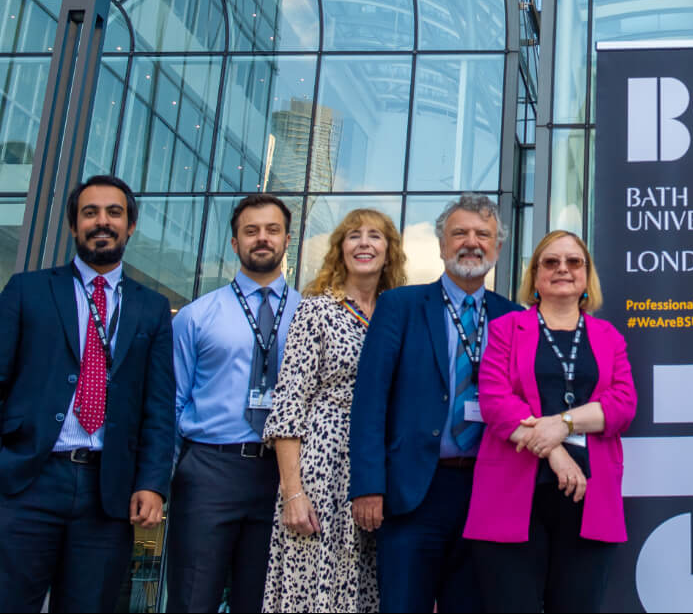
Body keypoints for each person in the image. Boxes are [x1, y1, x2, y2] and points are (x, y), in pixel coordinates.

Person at [0, 174, 173, 610]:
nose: (102, 222)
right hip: (28, 482)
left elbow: (158, 405)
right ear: (74, 225)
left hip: (107, 490)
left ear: (130, 225)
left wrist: (153, 483)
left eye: (114, 213)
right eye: (90, 212)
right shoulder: (28, 289)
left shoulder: (151, 308)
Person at [350, 194, 521, 612]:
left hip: (486, 491)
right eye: (459, 232)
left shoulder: (513, 318)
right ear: (442, 245)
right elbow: (370, 402)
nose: (471, 242)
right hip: (413, 492)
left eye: (483, 235)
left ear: (497, 248)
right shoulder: (400, 306)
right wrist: (369, 485)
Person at [464, 230, 636, 613]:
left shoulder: (608, 337)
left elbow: (623, 404)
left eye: (574, 262)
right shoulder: (507, 328)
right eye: (551, 262)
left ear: (586, 276)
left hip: (589, 497)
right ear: (536, 276)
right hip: (512, 493)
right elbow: (495, 402)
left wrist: (563, 423)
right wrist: (555, 449)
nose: (563, 269)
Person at [261, 209, 404, 613]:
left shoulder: (397, 314)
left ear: (389, 251)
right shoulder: (316, 310)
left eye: (375, 236)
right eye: (353, 236)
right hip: (323, 465)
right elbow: (289, 403)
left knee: (370, 586)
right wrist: (293, 493)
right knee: (316, 584)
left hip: (379, 465)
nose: (364, 243)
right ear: (340, 251)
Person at [169, 194, 301, 613]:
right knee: (194, 599)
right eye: (251, 231)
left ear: (287, 240)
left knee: (264, 603)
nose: (261, 239)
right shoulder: (195, 316)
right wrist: (168, 477)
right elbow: (173, 400)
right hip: (210, 470)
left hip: (282, 478)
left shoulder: (310, 314)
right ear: (234, 243)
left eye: (272, 230)